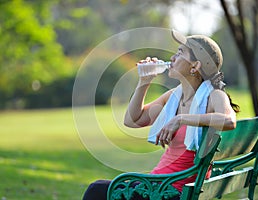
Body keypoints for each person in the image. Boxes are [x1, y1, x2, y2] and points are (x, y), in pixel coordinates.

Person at [82, 29, 240, 200]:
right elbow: (132, 120)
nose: (172, 58)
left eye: (179, 53)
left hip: (170, 191)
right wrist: (144, 81)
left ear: (195, 66)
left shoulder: (214, 95)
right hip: (158, 185)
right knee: (99, 189)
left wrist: (180, 119)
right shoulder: (174, 96)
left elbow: (229, 120)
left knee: (96, 190)